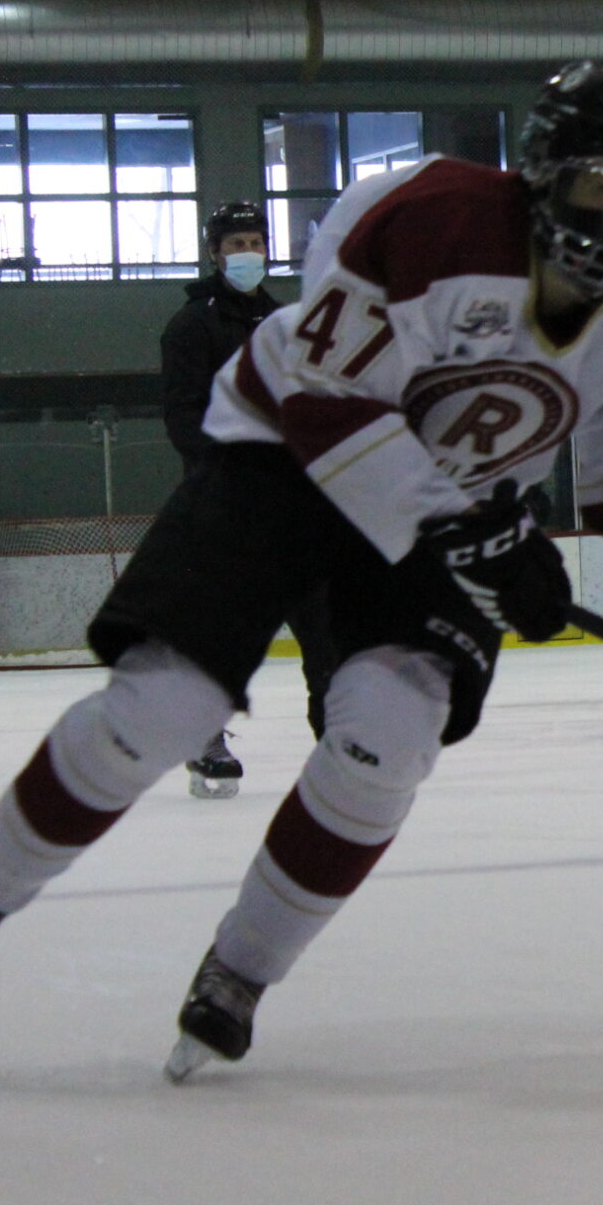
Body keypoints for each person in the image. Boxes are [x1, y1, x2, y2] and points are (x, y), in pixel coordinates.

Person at [0, 61, 603, 1080]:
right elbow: (326, 398)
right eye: (602, 194)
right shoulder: (436, 222)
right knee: (166, 706)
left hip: (451, 509)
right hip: (280, 458)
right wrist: (474, 530)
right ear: (542, 181)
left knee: (388, 737)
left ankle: (240, 970)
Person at [159, 201, 340, 797]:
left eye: (255, 242)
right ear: (215, 253)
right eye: (235, 243)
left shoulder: (285, 320)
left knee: (325, 630)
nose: (247, 253)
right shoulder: (191, 326)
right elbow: (184, 415)